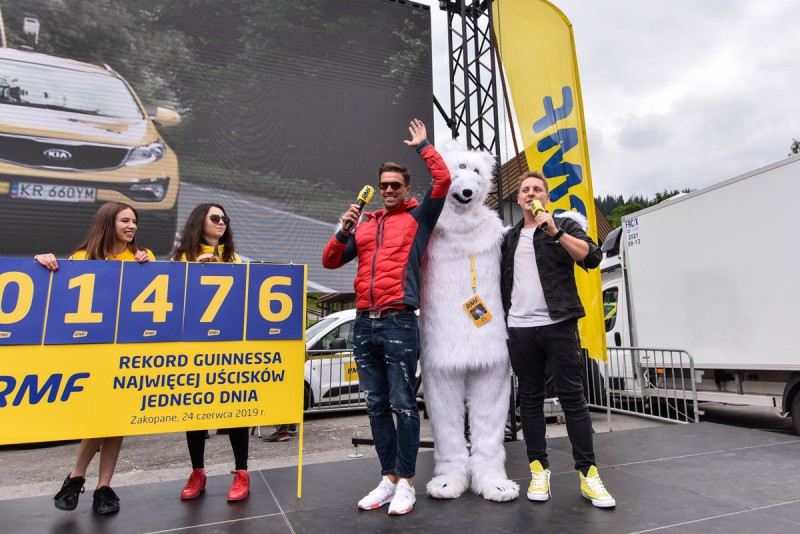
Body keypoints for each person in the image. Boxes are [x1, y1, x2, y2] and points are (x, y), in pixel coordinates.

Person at [322, 119, 450, 515]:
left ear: (407, 189)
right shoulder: (365, 227)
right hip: (364, 323)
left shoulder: (419, 216)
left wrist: (424, 146)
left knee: (404, 404)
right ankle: (388, 479)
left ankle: (407, 482)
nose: (389, 190)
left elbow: (443, 181)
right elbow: (329, 262)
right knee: (376, 405)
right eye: (384, 185)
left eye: (396, 185)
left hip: (399, 321)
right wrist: (344, 230)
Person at [501, 171, 615, 508]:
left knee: (573, 398)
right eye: (525, 190)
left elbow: (591, 257)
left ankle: (589, 474)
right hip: (520, 328)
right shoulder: (508, 238)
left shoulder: (563, 225)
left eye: (537, 189)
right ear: (519, 198)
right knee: (530, 399)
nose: (531, 194)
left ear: (546, 197)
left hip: (559, 323)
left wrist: (555, 231)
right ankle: (539, 470)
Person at [35, 202, 155, 515]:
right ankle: (79, 477)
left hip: (128, 350)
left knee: (115, 420)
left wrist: (147, 267)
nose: (132, 226)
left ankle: (98, 485)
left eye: (134, 221)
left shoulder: (143, 256)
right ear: (107, 222)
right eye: (125, 220)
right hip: (92, 350)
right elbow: (54, 289)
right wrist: (41, 261)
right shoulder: (81, 258)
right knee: (102, 418)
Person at [170, 203, 252, 502]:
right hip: (195, 346)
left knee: (236, 409)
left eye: (224, 218)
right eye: (215, 217)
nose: (221, 222)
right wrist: (194, 269)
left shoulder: (233, 257)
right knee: (196, 411)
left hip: (228, 345)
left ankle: (242, 472)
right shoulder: (181, 257)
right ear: (199, 222)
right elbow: (172, 296)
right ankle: (197, 472)